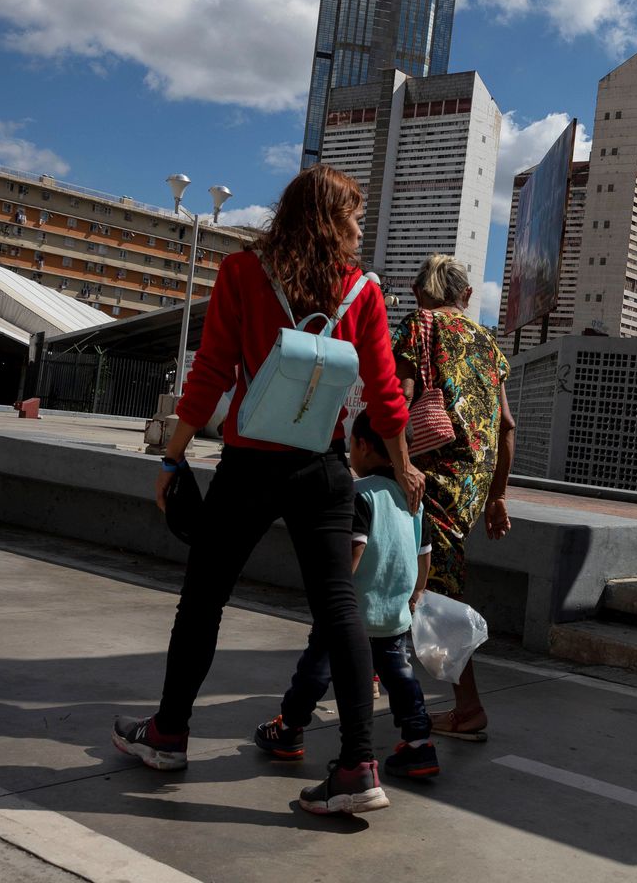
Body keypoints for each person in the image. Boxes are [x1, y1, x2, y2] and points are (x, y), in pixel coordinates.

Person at [113, 164, 423, 816]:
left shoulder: (243, 273)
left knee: (203, 599)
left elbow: (210, 376)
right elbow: (387, 396)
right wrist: (405, 467)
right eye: (356, 214)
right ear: (337, 219)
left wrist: (172, 459)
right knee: (340, 608)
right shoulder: (362, 289)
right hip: (324, 467)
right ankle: (358, 765)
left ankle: (169, 735)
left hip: (250, 464)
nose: (361, 225)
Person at [253, 408, 438, 780]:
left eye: (352, 444)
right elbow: (424, 555)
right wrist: (415, 595)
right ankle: (419, 744)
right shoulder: (412, 498)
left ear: (364, 446)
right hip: (393, 614)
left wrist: (330, 596)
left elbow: (353, 551)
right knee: (401, 677)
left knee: (315, 670)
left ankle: (288, 729)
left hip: (350, 611)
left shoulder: (357, 494)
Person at [392, 255, 514, 741]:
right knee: (425, 583)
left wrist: (397, 466)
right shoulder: (487, 341)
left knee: (432, 593)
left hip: (427, 478)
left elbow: (398, 401)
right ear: (464, 296)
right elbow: (506, 427)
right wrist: (496, 497)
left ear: (420, 293)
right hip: (470, 486)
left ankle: (468, 709)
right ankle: (381, 670)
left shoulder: (418, 325)